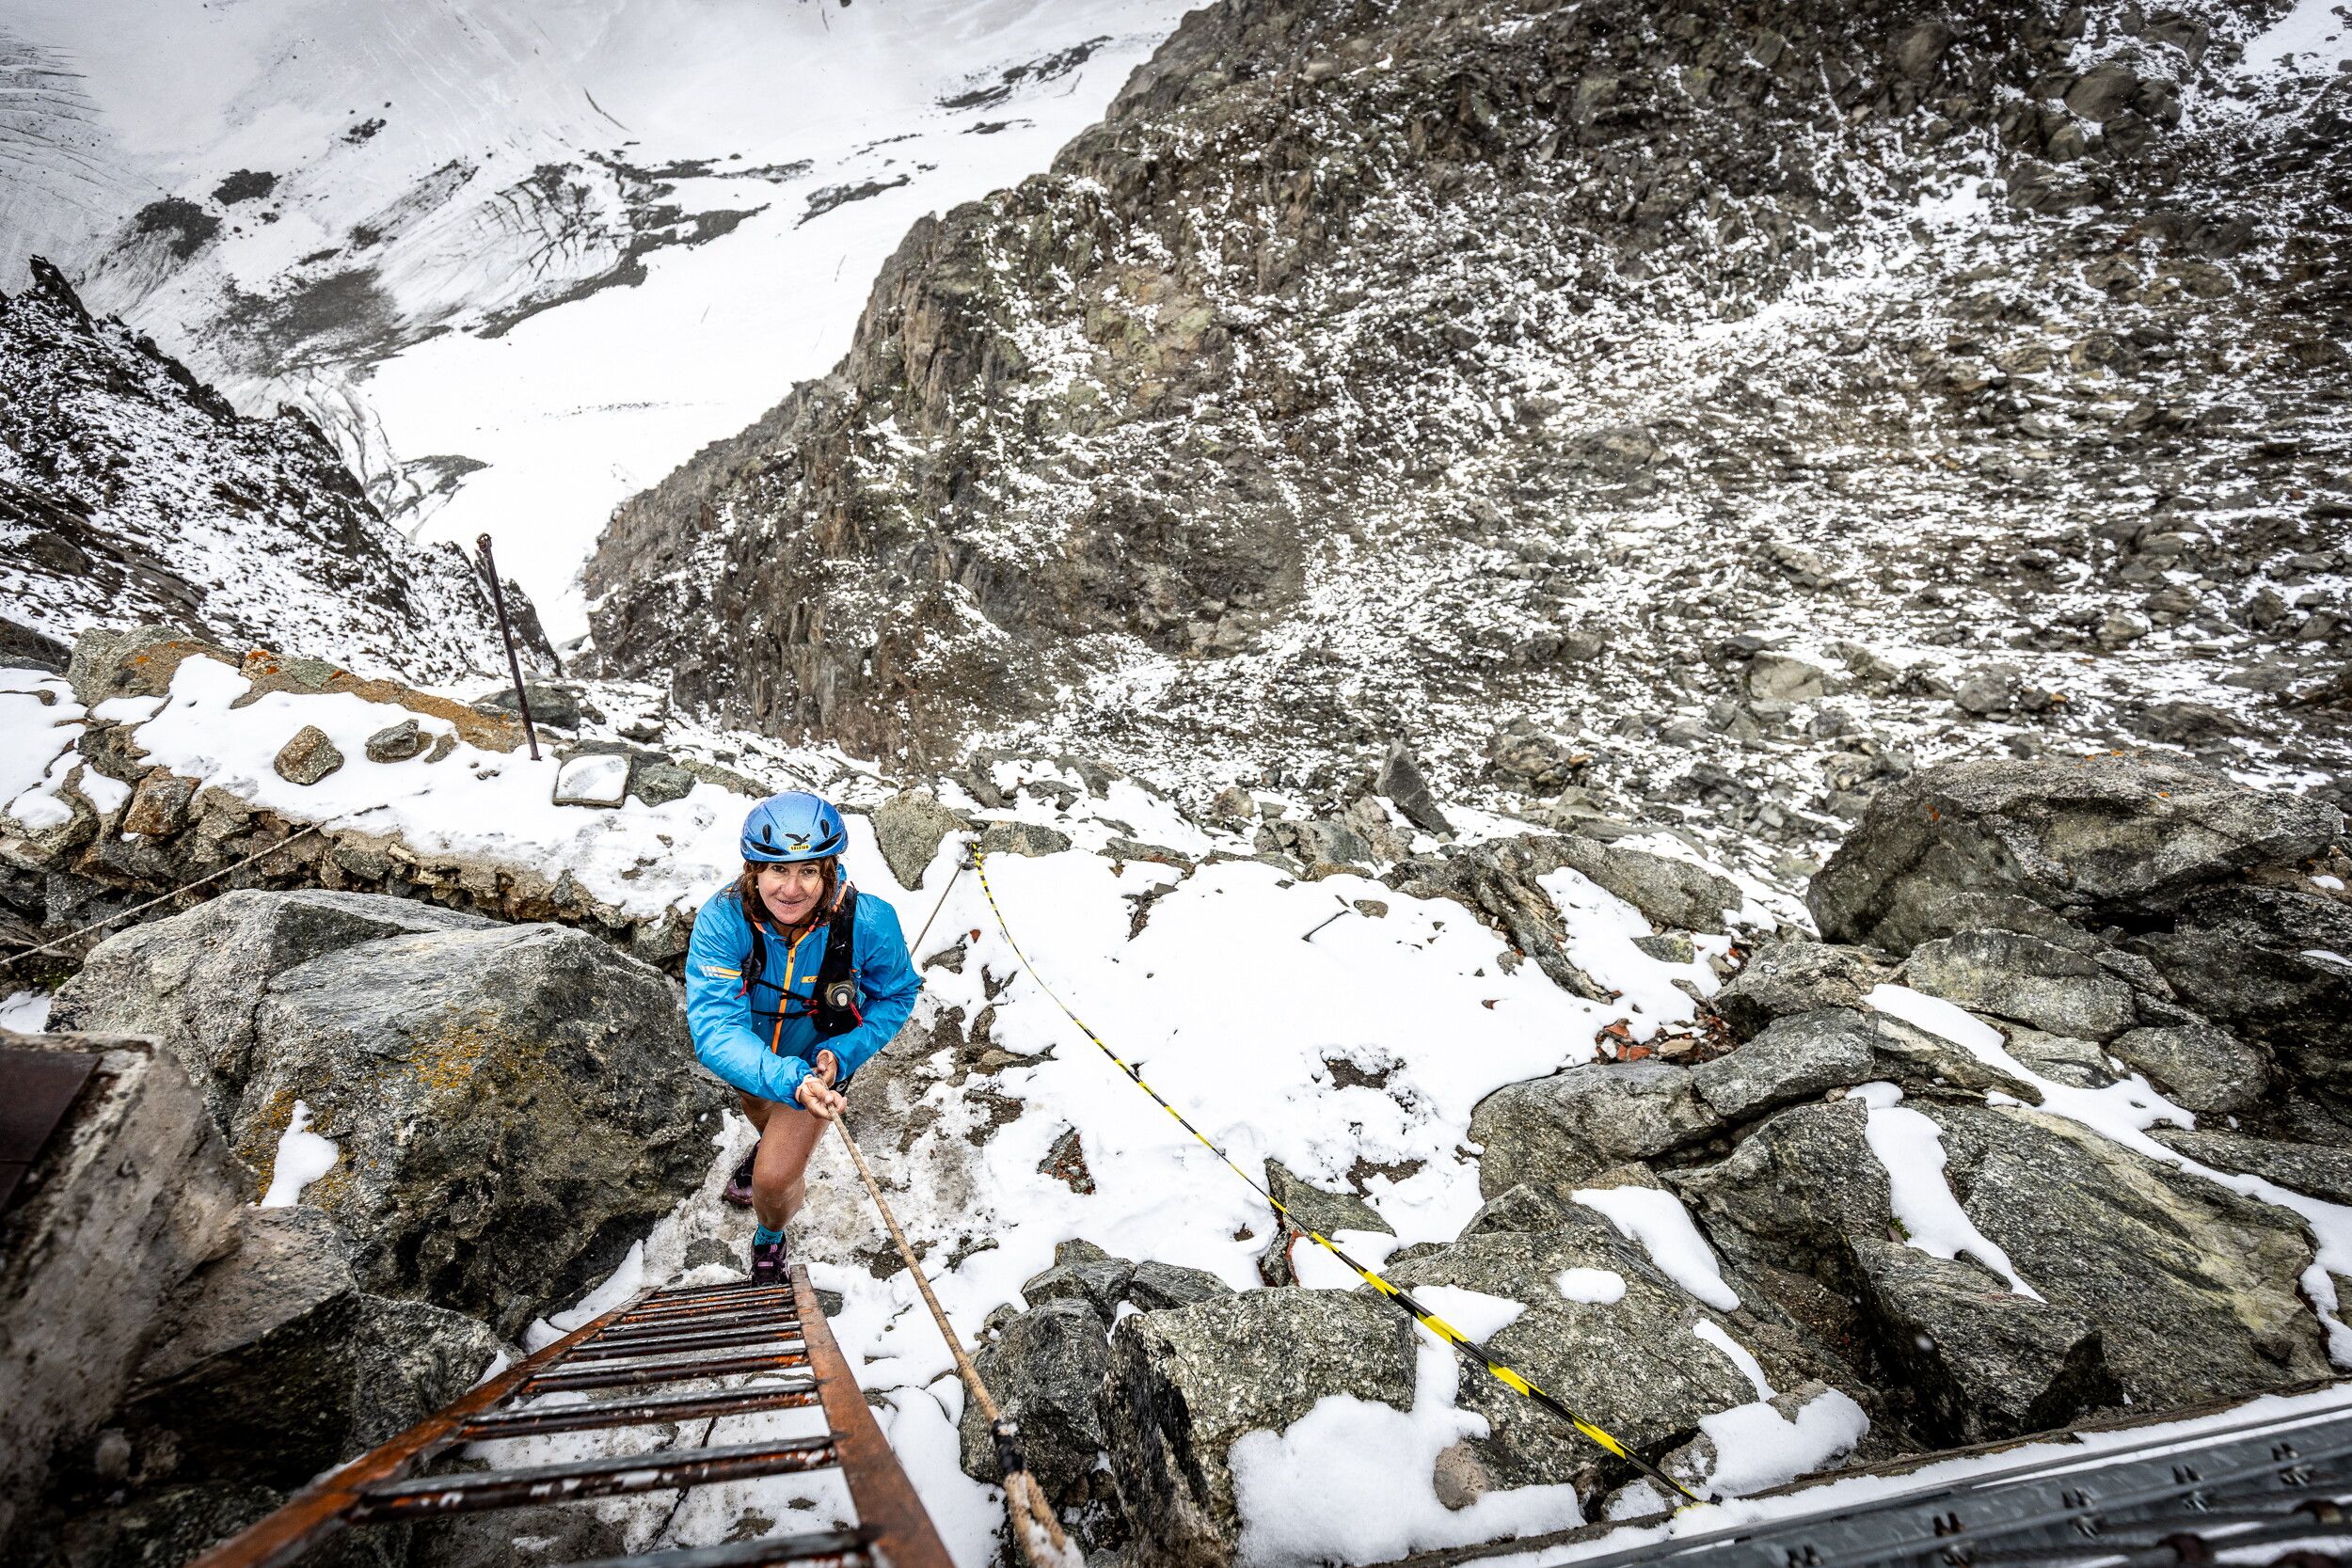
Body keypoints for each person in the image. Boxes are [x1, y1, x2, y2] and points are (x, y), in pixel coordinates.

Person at [686, 792, 922, 1283]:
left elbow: (897, 995)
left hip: (819, 1067)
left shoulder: (869, 922)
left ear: (829, 871)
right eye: (777, 870)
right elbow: (716, 1027)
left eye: (809, 871)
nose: (791, 889)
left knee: (774, 1180)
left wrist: (843, 1052)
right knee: (760, 1116)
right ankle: (766, 1143)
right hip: (753, 1059)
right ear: (753, 870)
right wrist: (782, 1078)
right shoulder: (723, 921)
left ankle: (770, 1236)